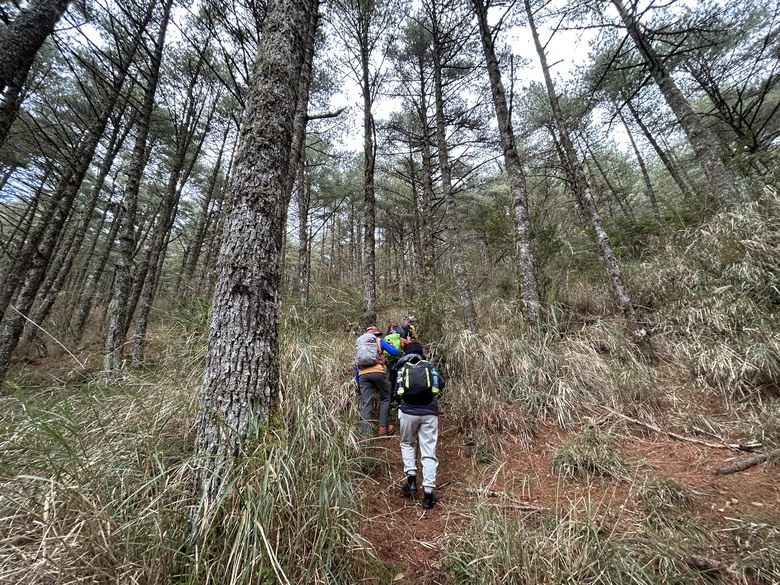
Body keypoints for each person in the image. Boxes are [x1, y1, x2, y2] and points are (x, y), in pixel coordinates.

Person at [394, 340, 445, 510]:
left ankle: (411, 480)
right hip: (429, 413)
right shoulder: (428, 366)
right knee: (429, 451)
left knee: (407, 443)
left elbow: (396, 392)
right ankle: (428, 495)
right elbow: (441, 384)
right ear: (421, 352)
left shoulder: (402, 367)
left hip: (408, 412)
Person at [355, 326, 400, 437]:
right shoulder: (378, 340)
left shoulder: (360, 344)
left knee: (366, 403)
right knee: (385, 397)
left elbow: (357, 364)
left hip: (362, 375)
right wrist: (390, 344)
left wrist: (358, 381)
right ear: (375, 334)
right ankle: (383, 428)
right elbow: (394, 352)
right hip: (377, 372)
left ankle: (366, 433)